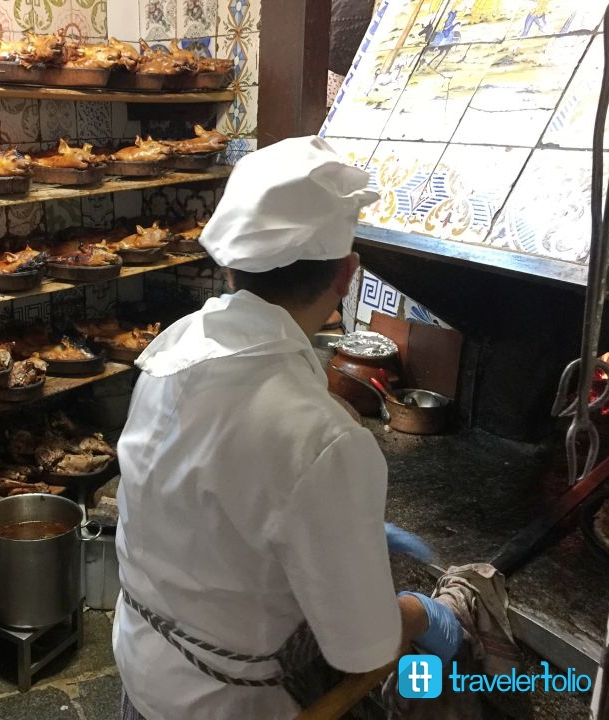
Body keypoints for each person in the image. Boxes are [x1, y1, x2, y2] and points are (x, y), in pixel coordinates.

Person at [112, 136, 462, 720]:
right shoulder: (325, 440)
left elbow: (205, 515)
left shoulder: (170, 352)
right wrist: (425, 613)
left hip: (144, 675)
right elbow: (364, 649)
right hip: (229, 707)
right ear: (347, 275)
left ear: (229, 264)